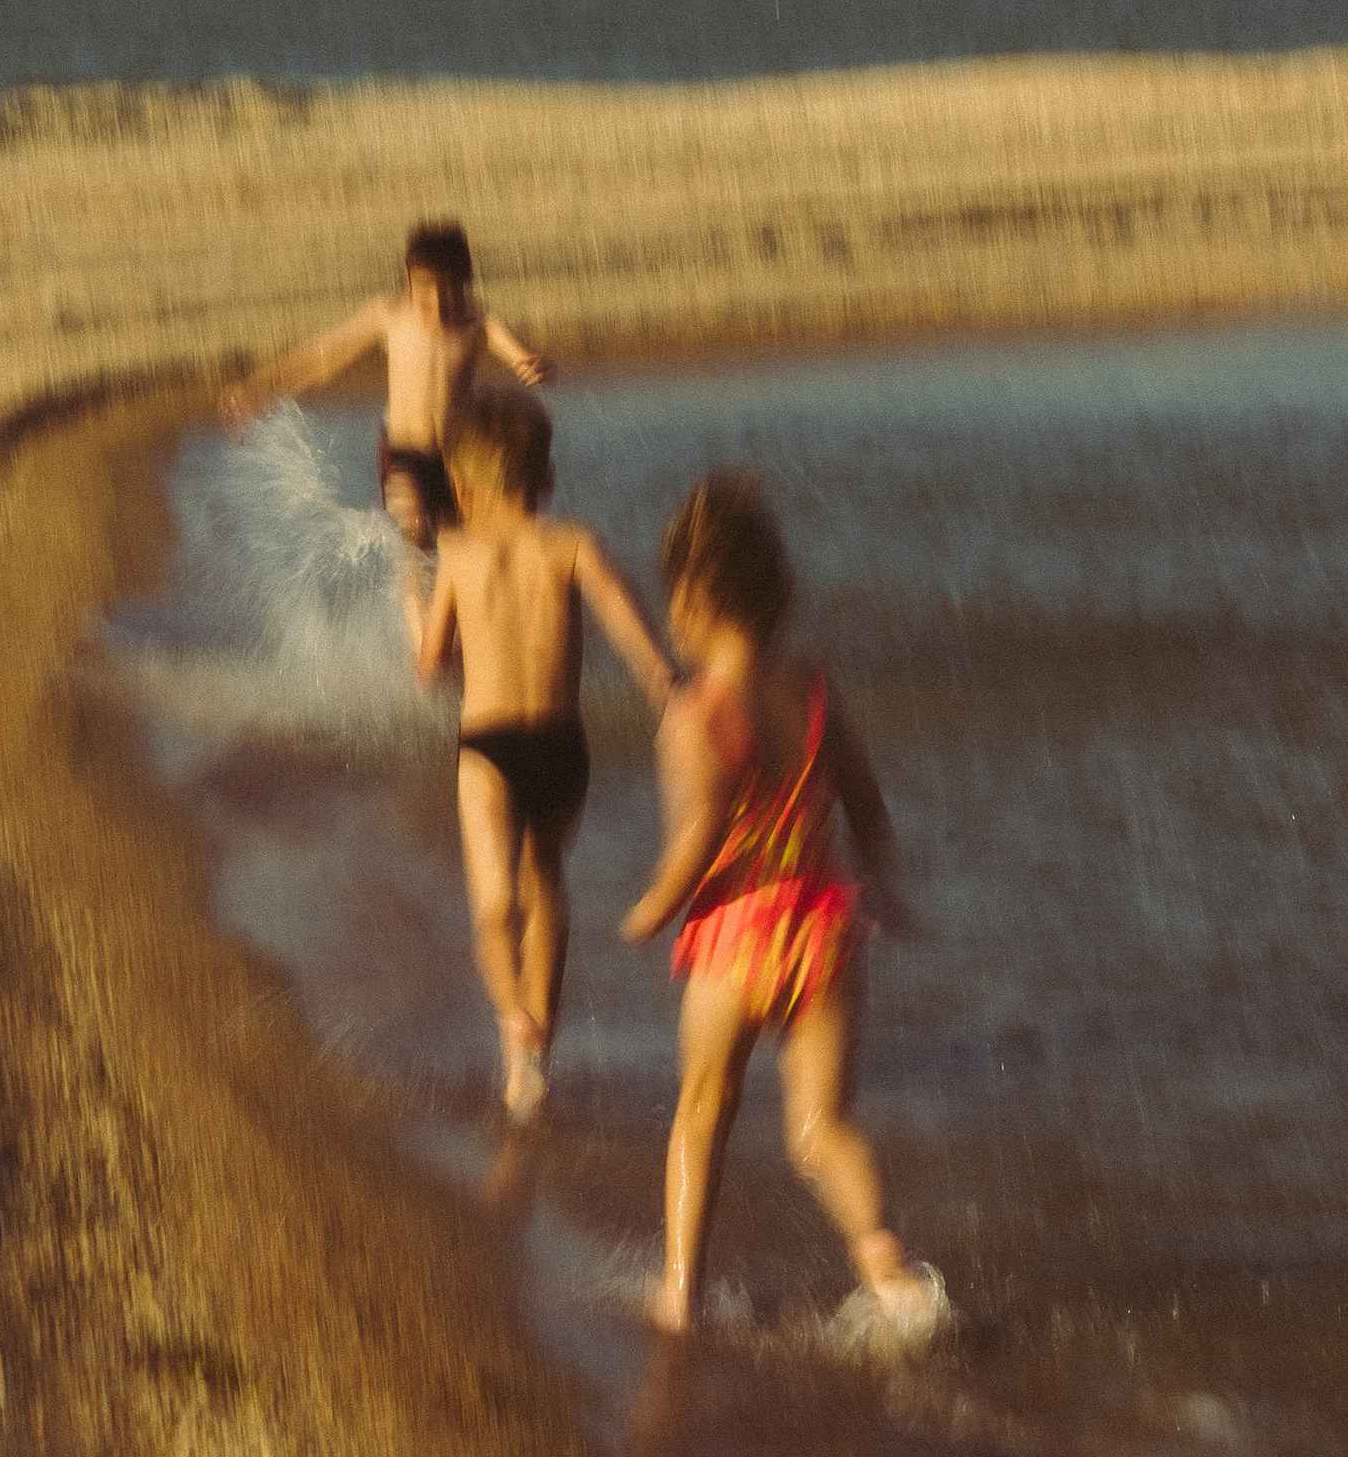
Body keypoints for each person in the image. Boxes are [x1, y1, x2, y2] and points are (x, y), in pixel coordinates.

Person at [620, 470, 943, 1342]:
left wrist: (654, 908)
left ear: (688, 598)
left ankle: (680, 1293)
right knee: (821, 1129)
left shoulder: (697, 713)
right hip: (826, 932)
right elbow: (866, 804)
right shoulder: (813, 690)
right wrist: (888, 888)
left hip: (735, 939)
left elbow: (699, 838)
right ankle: (893, 1275)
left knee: (702, 1110)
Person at [416, 375, 677, 1123]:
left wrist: (415, 620)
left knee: (495, 902)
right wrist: (660, 678)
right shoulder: (571, 543)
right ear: (548, 476)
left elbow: (434, 668)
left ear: (460, 485)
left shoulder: (458, 553)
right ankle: (537, 1051)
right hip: (564, 743)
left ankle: (512, 1023)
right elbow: (625, 614)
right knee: (547, 889)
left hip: (488, 745)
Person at [222, 221, 548, 553]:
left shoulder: (477, 322)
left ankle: (451, 602)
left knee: (459, 548)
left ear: (465, 283)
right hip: (402, 451)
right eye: (425, 294)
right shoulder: (390, 316)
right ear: (408, 281)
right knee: (414, 530)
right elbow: (325, 354)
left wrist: (528, 364)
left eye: (448, 293)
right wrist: (259, 385)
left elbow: (518, 355)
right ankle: (414, 597)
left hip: (457, 458)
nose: (437, 307)